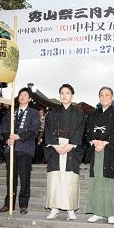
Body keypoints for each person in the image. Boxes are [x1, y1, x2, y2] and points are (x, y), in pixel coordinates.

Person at [84, 87, 114, 224]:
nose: (104, 97)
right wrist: (94, 141)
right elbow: (88, 131)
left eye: (107, 95)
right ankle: (97, 212)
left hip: (111, 152)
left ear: (112, 97)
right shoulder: (92, 115)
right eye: (101, 95)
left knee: (109, 183)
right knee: (97, 181)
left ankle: (111, 213)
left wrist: (105, 143)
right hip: (96, 152)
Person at [0, 88, 40, 215]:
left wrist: (19, 136)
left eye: (25, 95)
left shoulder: (34, 113)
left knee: (25, 178)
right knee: (11, 178)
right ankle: (8, 203)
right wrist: (7, 139)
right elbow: (3, 128)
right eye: (21, 94)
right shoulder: (11, 112)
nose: (22, 97)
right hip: (11, 149)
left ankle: (23, 204)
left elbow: (34, 130)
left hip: (25, 149)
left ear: (30, 99)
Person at [44, 84, 85, 220]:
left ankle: (70, 209)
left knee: (70, 179)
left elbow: (80, 130)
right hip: (56, 148)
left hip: (71, 148)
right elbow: (48, 131)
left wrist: (71, 144)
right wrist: (56, 145)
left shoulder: (79, 114)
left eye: (67, 93)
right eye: (62, 93)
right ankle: (54, 208)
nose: (64, 95)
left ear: (72, 95)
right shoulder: (52, 113)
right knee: (55, 178)